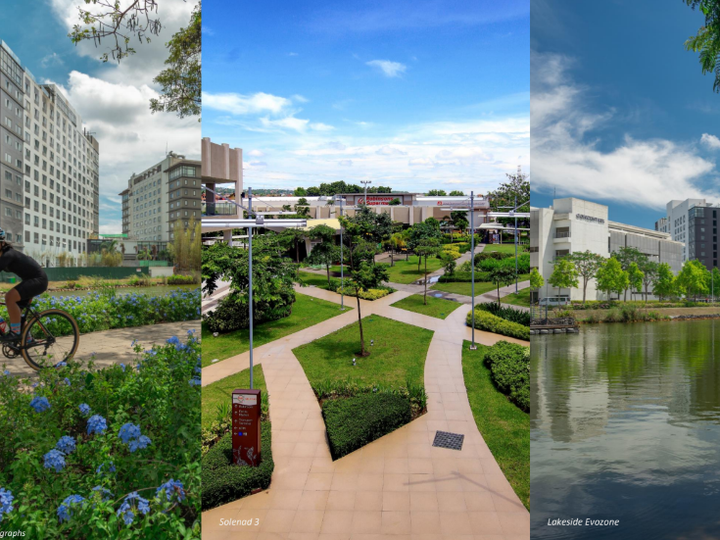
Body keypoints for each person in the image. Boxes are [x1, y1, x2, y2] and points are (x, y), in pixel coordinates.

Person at [0, 229, 48, 342]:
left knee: (9, 297)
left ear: (2, 243)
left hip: (38, 280)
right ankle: (27, 339)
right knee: (17, 313)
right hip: (30, 280)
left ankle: (15, 333)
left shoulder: (8, 255)